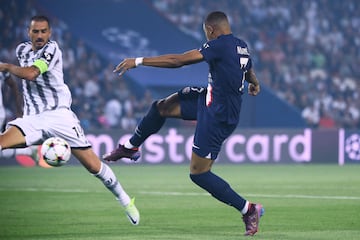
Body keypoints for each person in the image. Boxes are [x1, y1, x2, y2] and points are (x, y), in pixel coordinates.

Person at [104, 11, 263, 236]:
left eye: (205, 33)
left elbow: (178, 61)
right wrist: (254, 83)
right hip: (209, 98)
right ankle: (130, 147)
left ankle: (248, 209)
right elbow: (248, 69)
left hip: (218, 116)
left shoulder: (218, 45)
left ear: (210, 30)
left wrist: (138, 61)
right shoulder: (242, 46)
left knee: (198, 174)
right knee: (161, 107)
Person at [0, 15, 139, 225]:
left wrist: (7, 67)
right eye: (35, 32)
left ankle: (124, 199)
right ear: (29, 33)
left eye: (43, 31)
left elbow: (31, 74)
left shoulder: (52, 50)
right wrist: (20, 112)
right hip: (33, 118)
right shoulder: (21, 51)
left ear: (50, 33)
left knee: (94, 167)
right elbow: (17, 83)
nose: (39, 36)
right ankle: (30, 148)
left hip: (59, 116)